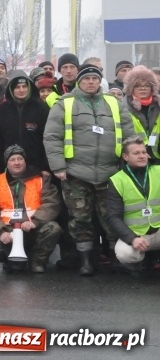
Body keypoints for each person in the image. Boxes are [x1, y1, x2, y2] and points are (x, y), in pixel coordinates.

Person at [44, 64, 135, 276]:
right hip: (76, 173)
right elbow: (52, 137)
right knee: (80, 219)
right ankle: (86, 262)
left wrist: (128, 164)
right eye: (86, 79)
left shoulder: (114, 103)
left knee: (112, 217)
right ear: (79, 82)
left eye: (95, 78)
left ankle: (116, 259)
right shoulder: (65, 104)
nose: (91, 82)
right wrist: (58, 166)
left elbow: (129, 135)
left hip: (110, 173)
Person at [0, 145, 62, 273]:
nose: (17, 163)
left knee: (53, 228)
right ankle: (13, 262)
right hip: (9, 231)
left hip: (33, 229)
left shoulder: (40, 179)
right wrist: (1, 233)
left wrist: (34, 222)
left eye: (20, 159)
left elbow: (51, 203)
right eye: (12, 160)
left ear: (25, 161)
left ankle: (37, 261)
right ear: (6, 163)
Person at [105, 135, 160, 271]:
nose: (142, 156)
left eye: (143, 152)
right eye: (136, 153)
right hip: (137, 235)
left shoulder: (158, 171)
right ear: (125, 157)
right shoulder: (117, 180)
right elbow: (113, 217)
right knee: (125, 254)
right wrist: (132, 238)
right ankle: (144, 260)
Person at [0, 74, 50, 174]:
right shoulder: (2, 110)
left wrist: (45, 167)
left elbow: (48, 140)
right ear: (11, 89)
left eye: (24, 86)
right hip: (8, 167)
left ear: (29, 87)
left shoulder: (41, 108)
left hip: (36, 167)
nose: (21, 90)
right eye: (17, 87)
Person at [122, 65, 160, 162]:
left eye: (147, 85)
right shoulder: (123, 106)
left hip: (156, 156)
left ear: (153, 88)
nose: (143, 88)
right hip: (133, 157)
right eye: (137, 85)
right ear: (131, 88)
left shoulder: (158, 105)